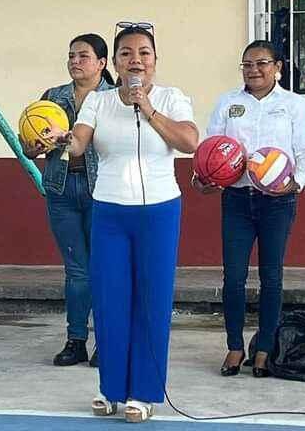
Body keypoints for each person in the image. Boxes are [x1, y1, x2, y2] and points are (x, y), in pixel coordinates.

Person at [48, 22, 198, 422]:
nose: (136, 60)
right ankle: (110, 389)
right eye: (127, 53)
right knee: (111, 298)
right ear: (114, 62)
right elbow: (79, 141)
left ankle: (144, 393)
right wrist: (62, 139)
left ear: (155, 60)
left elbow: (189, 142)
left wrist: (147, 109)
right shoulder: (98, 102)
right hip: (110, 209)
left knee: (152, 301)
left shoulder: (172, 98)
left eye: (143, 53)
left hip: (160, 210)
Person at [194, 40, 305, 378]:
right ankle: (235, 347)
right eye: (247, 64)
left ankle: (264, 348)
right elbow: (211, 148)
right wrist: (202, 178)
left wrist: (297, 182)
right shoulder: (228, 103)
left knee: (271, 276)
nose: (254, 70)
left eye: (262, 63)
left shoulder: (293, 105)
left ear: (278, 66)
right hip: (237, 199)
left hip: (278, 201)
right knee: (233, 277)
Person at [20, 33, 114, 367]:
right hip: (61, 188)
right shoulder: (52, 98)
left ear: (102, 63)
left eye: (83, 56)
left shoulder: (113, 98)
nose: (75, 61)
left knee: (104, 268)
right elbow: (29, 145)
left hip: (103, 189)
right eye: (71, 55)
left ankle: (108, 341)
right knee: (76, 270)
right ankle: (76, 340)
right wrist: (32, 148)